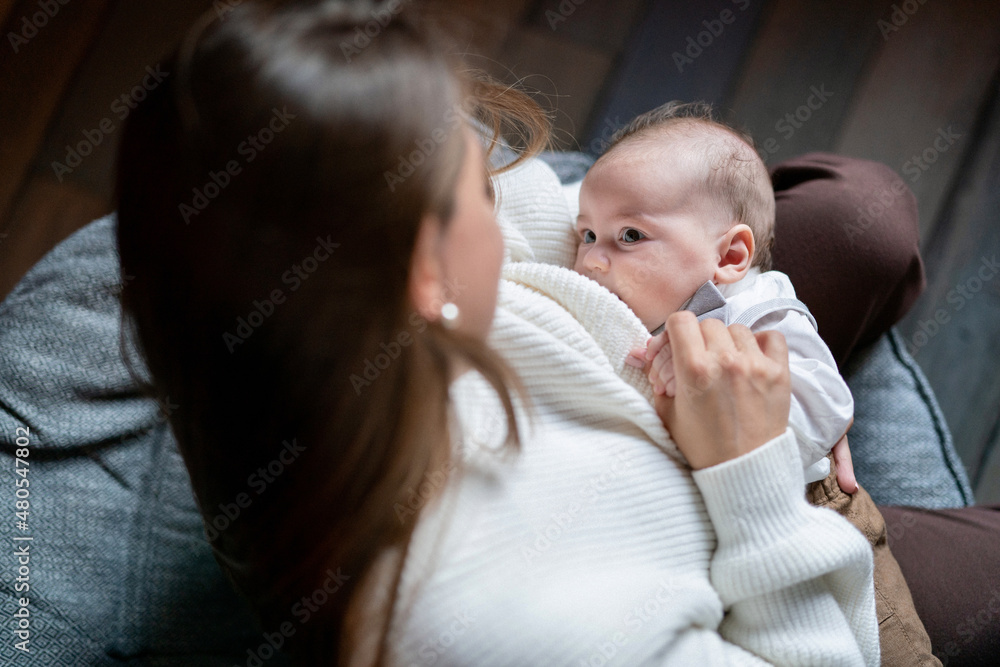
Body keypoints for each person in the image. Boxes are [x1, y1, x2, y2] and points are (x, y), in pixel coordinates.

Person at [113, 1, 880, 664]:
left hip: (724, 395)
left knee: (863, 213)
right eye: (480, 188)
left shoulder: (299, 321)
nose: (511, 188)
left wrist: (784, 353)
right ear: (424, 274)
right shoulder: (490, 620)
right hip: (784, 540)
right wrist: (756, 463)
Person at [569, 100, 938, 666]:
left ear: (731, 255)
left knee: (887, 648)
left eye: (630, 236)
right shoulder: (634, 307)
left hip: (820, 515)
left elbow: (827, 404)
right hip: (726, 540)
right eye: (587, 233)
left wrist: (715, 395)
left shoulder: (763, 312)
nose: (592, 260)